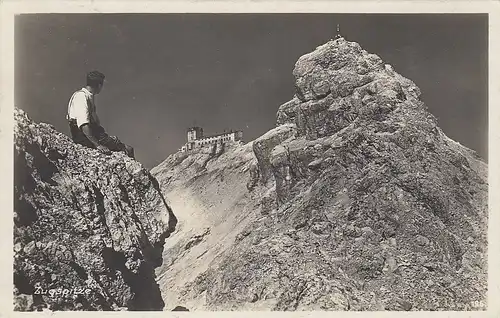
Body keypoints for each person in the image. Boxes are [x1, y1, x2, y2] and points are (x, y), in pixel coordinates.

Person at [67, 71, 134, 158]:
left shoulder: (88, 96)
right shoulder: (81, 97)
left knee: (118, 143)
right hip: (86, 137)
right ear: (99, 85)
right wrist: (97, 145)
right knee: (128, 149)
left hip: (93, 134)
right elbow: (84, 124)